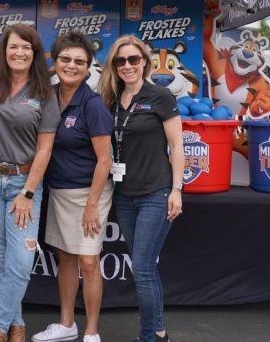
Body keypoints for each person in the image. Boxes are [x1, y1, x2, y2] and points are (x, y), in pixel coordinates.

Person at [0, 23, 61, 342]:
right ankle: (17, 324)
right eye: (13, 46)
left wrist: (27, 192)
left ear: (35, 53)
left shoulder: (45, 93)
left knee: (21, 260)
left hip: (24, 183)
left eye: (26, 47)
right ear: (3, 51)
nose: (19, 52)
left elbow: (45, 149)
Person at [98, 35, 184, 342]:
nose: (127, 66)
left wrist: (177, 190)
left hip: (156, 194)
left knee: (144, 268)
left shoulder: (160, 96)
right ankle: (158, 329)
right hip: (124, 196)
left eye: (134, 59)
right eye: (120, 61)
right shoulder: (110, 99)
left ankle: (148, 336)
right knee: (145, 268)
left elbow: (176, 145)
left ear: (145, 62)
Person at [33, 31, 113, 342]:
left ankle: (91, 332)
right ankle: (67, 325)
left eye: (79, 61)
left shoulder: (92, 104)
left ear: (88, 67)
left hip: (89, 192)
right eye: (65, 59)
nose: (71, 65)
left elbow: (104, 160)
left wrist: (92, 204)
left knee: (89, 261)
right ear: (55, 61)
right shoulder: (48, 95)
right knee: (65, 256)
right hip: (58, 191)